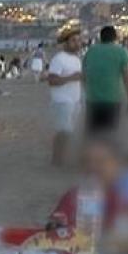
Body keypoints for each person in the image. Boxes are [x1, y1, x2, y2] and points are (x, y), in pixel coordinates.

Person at [48, 133, 128, 236]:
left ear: (117, 165)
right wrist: (56, 226)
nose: (92, 167)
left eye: (100, 162)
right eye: (86, 161)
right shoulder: (73, 196)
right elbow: (53, 231)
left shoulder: (127, 198)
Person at [82, 25, 128, 134]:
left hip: (93, 99)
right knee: (110, 134)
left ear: (101, 38)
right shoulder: (121, 52)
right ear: (115, 37)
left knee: (94, 134)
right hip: (112, 98)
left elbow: (84, 76)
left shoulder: (91, 51)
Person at [46, 24, 84, 165]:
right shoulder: (59, 59)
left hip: (74, 100)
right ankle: (56, 159)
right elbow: (52, 80)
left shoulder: (76, 59)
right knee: (63, 131)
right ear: (66, 43)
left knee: (69, 131)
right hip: (61, 100)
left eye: (79, 40)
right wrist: (71, 77)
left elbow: (78, 78)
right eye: (74, 40)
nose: (77, 43)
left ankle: (61, 157)